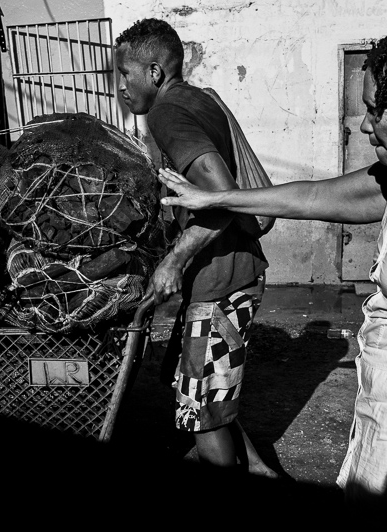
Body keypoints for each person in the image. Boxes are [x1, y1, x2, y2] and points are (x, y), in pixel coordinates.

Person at [158, 16, 387, 532]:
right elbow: (310, 196)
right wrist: (217, 197)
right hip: (385, 396)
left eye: (375, 111)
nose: (363, 124)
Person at [115, 18, 278, 477]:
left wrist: (175, 259)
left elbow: (222, 197)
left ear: (154, 71)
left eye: (125, 74)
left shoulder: (166, 114)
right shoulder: (198, 99)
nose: (121, 87)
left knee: (201, 417)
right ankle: (262, 470)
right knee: (197, 388)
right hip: (231, 273)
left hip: (221, 281)